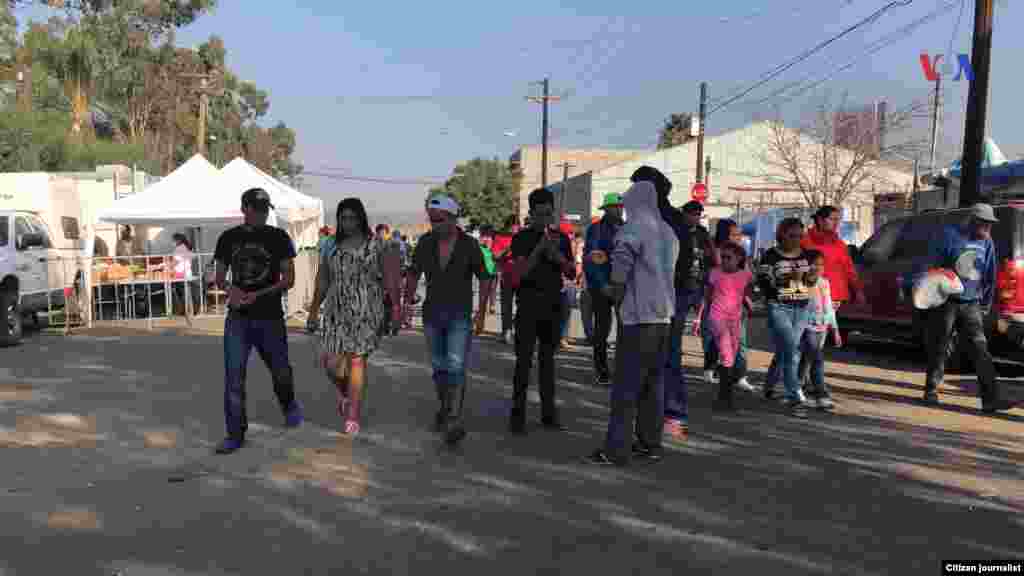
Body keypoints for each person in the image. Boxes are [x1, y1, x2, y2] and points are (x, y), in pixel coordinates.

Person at [586, 180, 678, 466]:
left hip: (638, 319)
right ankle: (650, 443)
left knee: (626, 387)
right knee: (653, 384)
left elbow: (620, 276)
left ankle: (616, 450)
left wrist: (610, 290)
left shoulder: (633, 230)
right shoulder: (668, 232)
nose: (624, 209)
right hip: (664, 317)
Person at [213, 188, 302, 454]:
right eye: (257, 208)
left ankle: (288, 404)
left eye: (265, 208)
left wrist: (258, 294)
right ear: (244, 209)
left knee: (281, 372)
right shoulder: (228, 238)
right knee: (234, 377)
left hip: (270, 317)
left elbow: (289, 279)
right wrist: (232, 291)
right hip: (238, 318)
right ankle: (235, 434)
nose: (262, 213)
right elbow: (219, 276)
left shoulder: (278, 237)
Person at [307, 198, 402, 436]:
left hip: (367, 311)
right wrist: (313, 310)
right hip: (335, 311)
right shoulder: (330, 245)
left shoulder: (379, 245)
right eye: (343, 218)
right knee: (331, 364)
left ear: (361, 218)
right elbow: (322, 280)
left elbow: (391, 279)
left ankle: (352, 416)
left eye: (352, 217)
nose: (347, 222)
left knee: (357, 360)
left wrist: (397, 309)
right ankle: (347, 394)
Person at [404, 195, 491, 445]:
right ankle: (444, 409)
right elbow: (412, 274)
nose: (435, 225)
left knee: (455, 365)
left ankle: (453, 418)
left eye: (440, 220)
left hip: (459, 316)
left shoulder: (469, 245)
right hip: (432, 314)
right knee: (439, 368)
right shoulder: (425, 242)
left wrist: (481, 312)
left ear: (453, 218)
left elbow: (485, 278)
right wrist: (405, 305)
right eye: (432, 221)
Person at [919, 204, 1013, 414]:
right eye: (985, 223)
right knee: (940, 346)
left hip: (971, 304)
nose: (989, 228)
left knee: (981, 349)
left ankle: (990, 400)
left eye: (990, 224)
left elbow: (990, 273)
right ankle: (931, 389)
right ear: (973, 221)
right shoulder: (950, 236)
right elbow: (932, 267)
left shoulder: (987, 242)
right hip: (947, 303)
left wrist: (986, 303)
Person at [508, 188, 575, 435]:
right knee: (523, 363)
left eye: (549, 214)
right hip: (527, 305)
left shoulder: (562, 239)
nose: (545, 219)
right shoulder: (521, 239)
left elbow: (571, 273)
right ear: (531, 213)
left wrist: (556, 255)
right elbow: (519, 274)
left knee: (548, 363)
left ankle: (549, 415)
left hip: (552, 305)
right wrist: (539, 250)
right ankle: (517, 417)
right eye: (540, 214)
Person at [757, 217, 813, 419]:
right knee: (791, 351)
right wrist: (786, 282)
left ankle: (770, 384)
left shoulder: (807, 255)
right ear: (781, 234)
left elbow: (810, 281)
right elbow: (763, 282)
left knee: (786, 351)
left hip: (802, 307)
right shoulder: (770, 256)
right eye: (792, 235)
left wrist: (811, 277)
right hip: (779, 306)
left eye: (800, 235)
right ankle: (794, 396)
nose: (796, 239)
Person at [694, 241, 753, 412]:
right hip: (717, 318)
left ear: (739, 258)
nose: (724, 261)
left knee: (731, 357)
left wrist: (749, 307)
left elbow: (745, 294)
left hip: (735, 319)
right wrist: (698, 319)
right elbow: (707, 297)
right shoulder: (714, 273)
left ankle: (724, 396)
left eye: (729, 258)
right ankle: (724, 400)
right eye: (723, 257)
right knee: (727, 355)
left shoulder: (745, 275)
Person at [705, 219, 756, 393]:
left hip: (735, 314)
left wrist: (748, 303)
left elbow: (747, 286)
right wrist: (702, 312)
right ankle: (724, 392)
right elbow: (709, 291)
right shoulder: (717, 265)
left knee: (736, 346)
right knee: (725, 349)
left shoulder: (743, 269)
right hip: (718, 314)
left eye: (739, 234)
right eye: (734, 234)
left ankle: (735, 376)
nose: (738, 237)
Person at [583, 192, 625, 386]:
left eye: (621, 206)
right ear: (607, 209)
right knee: (602, 329)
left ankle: (623, 369)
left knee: (625, 330)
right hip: (602, 287)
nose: (619, 209)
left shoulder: (626, 229)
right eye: (616, 207)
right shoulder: (596, 230)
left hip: (622, 286)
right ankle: (602, 371)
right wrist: (602, 285)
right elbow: (594, 259)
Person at [799, 250, 841, 411]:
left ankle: (797, 387)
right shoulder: (801, 284)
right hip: (807, 328)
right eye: (814, 264)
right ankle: (821, 395)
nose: (818, 267)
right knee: (817, 360)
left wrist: (835, 329)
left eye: (821, 264)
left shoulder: (824, 283)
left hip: (822, 328)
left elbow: (829, 307)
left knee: (807, 360)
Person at [801, 205, 864, 311]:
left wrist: (857, 291)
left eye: (838, 219)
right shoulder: (805, 242)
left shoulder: (840, 245)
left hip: (839, 301)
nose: (836, 223)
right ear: (820, 221)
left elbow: (849, 270)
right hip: (814, 300)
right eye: (832, 219)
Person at [493, 218, 518, 345]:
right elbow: (495, 256)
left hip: (522, 278)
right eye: (513, 226)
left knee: (524, 307)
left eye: (517, 226)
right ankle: (506, 332)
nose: (515, 229)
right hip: (506, 278)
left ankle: (516, 329)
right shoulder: (499, 238)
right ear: (507, 226)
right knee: (506, 307)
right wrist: (507, 249)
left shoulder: (524, 237)